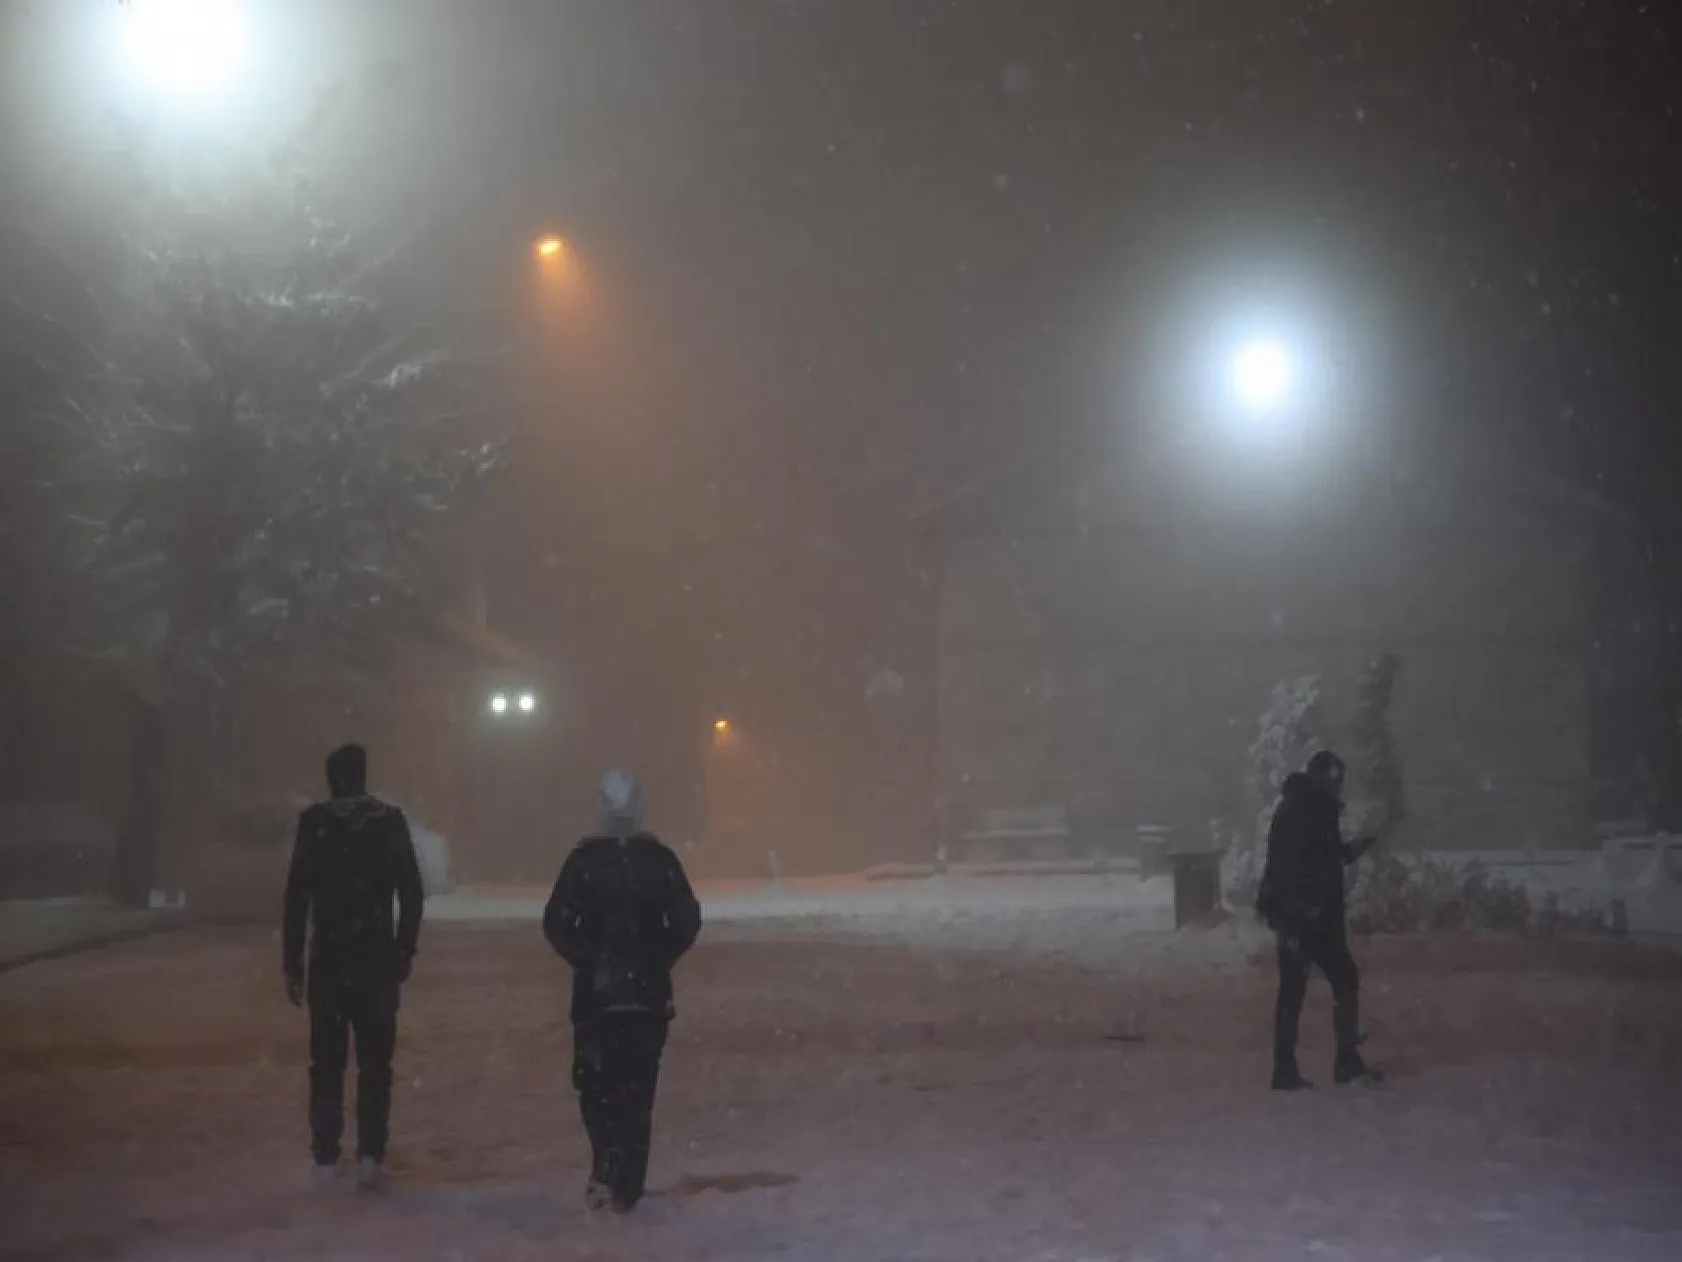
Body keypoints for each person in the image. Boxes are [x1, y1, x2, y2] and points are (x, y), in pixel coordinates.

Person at [543, 770, 702, 1213]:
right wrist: (659, 956)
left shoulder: (583, 861)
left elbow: (556, 921)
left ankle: (605, 1163)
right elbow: (687, 919)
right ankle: (627, 1180)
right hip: (646, 996)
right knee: (638, 1089)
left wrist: (588, 958)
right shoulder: (660, 861)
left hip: (597, 997)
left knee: (596, 1085)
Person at [282, 743, 425, 1187]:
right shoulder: (387, 823)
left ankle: (326, 1153)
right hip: (375, 958)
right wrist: (403, 948)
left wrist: (293, 962)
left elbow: (297, 896)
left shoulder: (316, 824)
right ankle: (369, 1153)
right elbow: (412, 892)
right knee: (375, 1062)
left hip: (329, 957)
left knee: (326, 1061)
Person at [1255, 749, 1383, 1090]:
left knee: (1300, 990)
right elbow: (1293, 865)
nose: (1339, 787)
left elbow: (1325, 855)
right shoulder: (1306, 810)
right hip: (1307, 917)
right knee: (1335, 983)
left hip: (1302, 916)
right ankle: (1340, 1062)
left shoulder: (1304, 807)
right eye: (1335, 779)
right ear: (1322, 777)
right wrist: (1304, 908)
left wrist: (1356, 848)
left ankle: (1292, 1069)